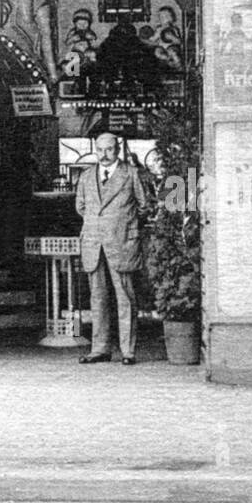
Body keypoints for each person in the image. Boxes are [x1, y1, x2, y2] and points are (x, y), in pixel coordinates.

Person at [75, 132, 148, 365]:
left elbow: (145, 205)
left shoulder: (131, 174)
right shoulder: (86, 176)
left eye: (109, 149)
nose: (104, 155)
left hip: (122, 243)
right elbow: (81, 207)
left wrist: (125, 224)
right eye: (100, 150)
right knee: (97, 298)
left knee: (125, 297)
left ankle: (128, 351)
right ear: (95, 150)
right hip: (94, 244)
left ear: (117, 150)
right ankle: (100, 349)